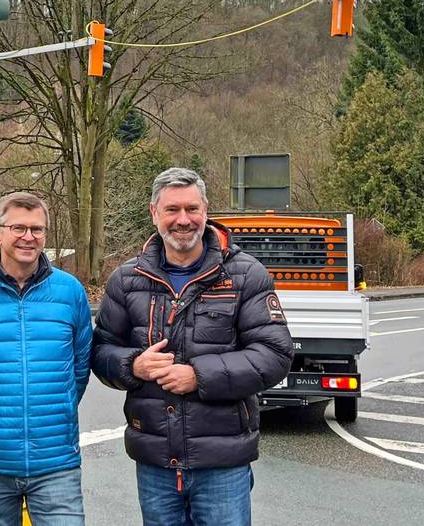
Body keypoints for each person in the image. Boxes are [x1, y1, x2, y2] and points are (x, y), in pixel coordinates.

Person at [92, 167, 293, 526]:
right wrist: (133, 365)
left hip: (222, 463)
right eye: (172, 210)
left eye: (192, 209)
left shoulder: (245, 275)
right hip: (155, 462)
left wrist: (198, 375)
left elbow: (274, 355)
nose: (182, 220)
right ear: (154, 213)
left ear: (206, 211)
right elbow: (101, 351)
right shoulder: (126, 279)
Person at [0, 192, 93, 526]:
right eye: (18, 228)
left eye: (37, 229)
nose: (28, 237)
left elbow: (79, 368)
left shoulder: (70, 292)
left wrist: (57, 408)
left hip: (56, 461)